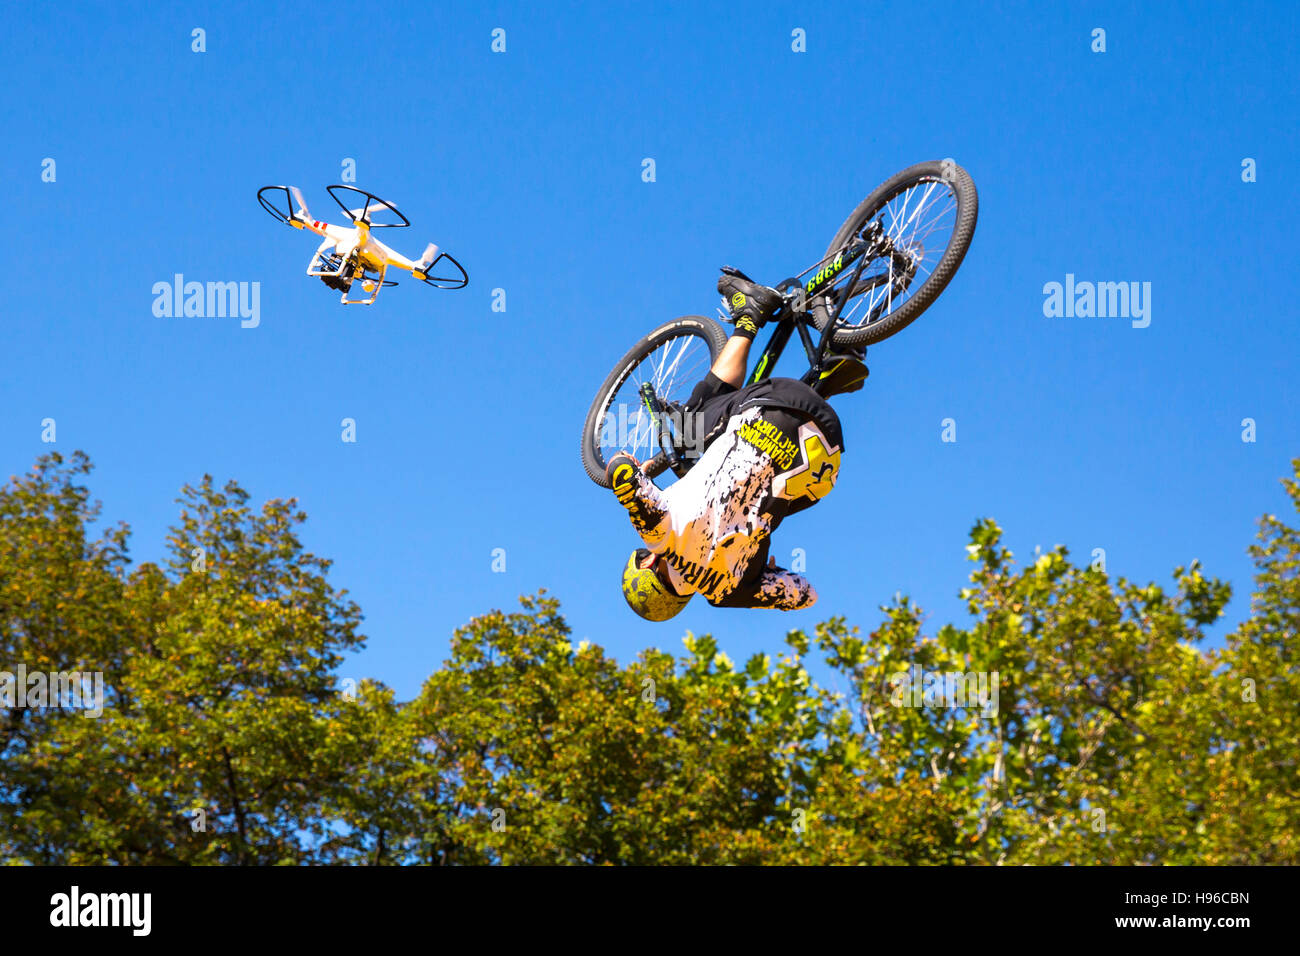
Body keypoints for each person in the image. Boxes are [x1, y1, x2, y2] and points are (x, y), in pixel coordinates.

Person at [608, 269, 868, 621]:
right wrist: (623, 464)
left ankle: (828, 376)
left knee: (780, 490)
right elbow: (623, 477)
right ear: (649, 561)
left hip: (827, 450)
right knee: (690, 429)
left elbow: (807, 595)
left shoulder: (727, 594)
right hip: (770, 410)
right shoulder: (660, 532)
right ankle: (750, 315)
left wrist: (769, 574)